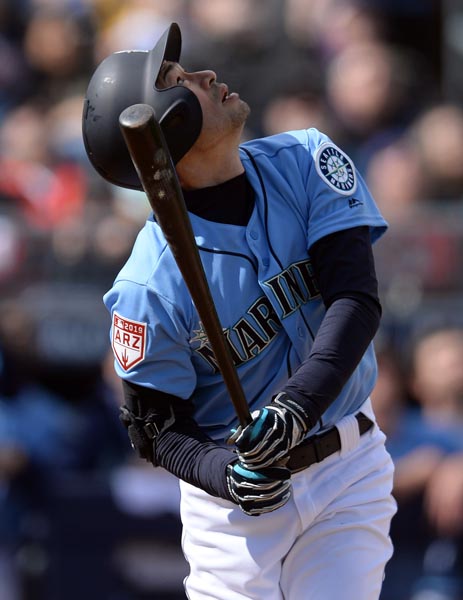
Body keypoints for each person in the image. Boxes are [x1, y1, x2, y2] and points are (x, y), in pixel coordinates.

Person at [82, 22, 396, 600]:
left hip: (346, 469)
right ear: (164, 126)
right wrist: (224, 474)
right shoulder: (149, 284)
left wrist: (296, 406)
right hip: (235, 517)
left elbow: (355, 299)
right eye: (178, 79)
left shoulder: (305, 158)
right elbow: (156, 429)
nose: (206, 74)